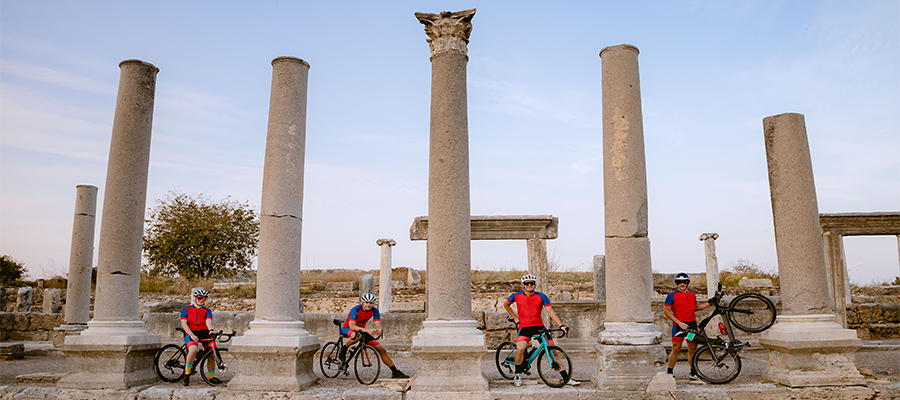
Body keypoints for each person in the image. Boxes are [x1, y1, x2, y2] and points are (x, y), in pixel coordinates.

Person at [503, 274, 580, 387]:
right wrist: (515, 317)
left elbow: (550, 311)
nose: (529, 285)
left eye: (532, 283)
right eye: (527, 283)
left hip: (539, 327)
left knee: (553, 352)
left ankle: (566, 378)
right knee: (520, 348)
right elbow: (506, 304)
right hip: (524, 327)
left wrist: (561, 325)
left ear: (535, 284)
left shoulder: (541, 296)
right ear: (523, 285)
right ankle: (517, 374)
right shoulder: (516, 296)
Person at [340, 293, 410, 379]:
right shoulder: (355, 309)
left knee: (382, 350)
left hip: (362, 332)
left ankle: (395, 372)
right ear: (362, 302)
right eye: (366, 302)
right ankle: (344, 348)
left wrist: (379, 330)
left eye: (371, 303)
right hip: (348, 329)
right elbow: (352, 326)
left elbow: (378, 325)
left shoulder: (375, 310)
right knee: (356, 335)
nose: (368, 305)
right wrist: (369, 330)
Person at [664, 272, 711, 380]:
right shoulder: (671, 295)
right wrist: (679, 322)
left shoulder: (692, 294)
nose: (682, 284)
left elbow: (697, 307)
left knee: (692, 348)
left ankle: (693, 372)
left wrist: (710, 303)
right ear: (677, 283)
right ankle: (670, 372)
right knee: (676, 348)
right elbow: (666, 312)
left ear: (687, 283)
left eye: (684, 282)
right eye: (679, 282)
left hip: (691, 327)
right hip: (679, 326)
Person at [180, 287, 220, 386]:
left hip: (204, 332)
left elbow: (208, 321)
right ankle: (186, 374)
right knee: (193, 350)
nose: (202, 300)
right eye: (200, 298)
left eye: (204, 298)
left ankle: (211, 377)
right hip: (191, 332)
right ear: (195, 298)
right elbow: (183, 323)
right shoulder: (187, 309)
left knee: (211, 354)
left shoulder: (207, 311)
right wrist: (192, 335)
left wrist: (210, 330)